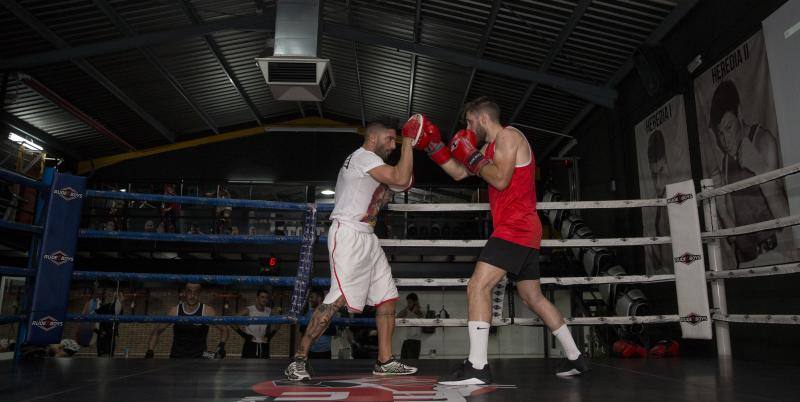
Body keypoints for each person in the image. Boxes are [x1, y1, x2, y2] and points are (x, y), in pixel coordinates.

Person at [408, 97, 589, 384]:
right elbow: (459, 173)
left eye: (470, 122)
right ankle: (575, 356)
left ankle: (478, 367)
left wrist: (472, 156)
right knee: (532, 297)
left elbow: (501, 179)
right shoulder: (487, 148)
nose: (468, 129)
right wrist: (433, 147)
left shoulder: (508, 136)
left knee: (478, 286)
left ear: (483, 118)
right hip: (522, 229)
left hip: (515, 228)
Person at [284, 117, 417, 381]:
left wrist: (398, 181)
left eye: (396, 140)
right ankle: (298, 359)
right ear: (373, 137)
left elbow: (397, 185)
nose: (393, 145)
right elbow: (401, 177)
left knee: (387, 297)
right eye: (390, 139)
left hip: (367, 236)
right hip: (348, 235)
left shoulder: (372, 164)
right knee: (337, 300)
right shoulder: (363, 158)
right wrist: (410, 142)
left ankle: (384, 361)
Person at [708, 79, 789, 263]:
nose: (726, 141)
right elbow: (733, 238)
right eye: (720, 134)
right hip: (747, 262)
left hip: (778, 257)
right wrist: (721, 210)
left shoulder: (763, 141)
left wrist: (760, 168)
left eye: (729, 127)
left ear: (740, 113)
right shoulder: (725, 165)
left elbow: (786, 218)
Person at [145, 283, 228, 358]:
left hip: (199, 356)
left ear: (199, 293)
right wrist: (150, 351)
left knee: (216, 357)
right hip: (177, 356)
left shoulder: (207, 311)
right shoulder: (175, 311)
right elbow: (157, 331)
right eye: (189, 292)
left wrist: (221, 346)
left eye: (195, 292)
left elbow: (224, 329)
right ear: (184, 293)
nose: (192, 296)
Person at [646, 130, 673, 274]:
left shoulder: (679, 199)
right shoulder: (655, 207)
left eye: (661, 171)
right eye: (653, 175)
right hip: (668, 275)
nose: (657, 183)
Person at [233, 288, 277, 358]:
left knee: (265, 365)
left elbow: (280, 322)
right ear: (257, 298)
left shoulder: (269, 311)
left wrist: (270, 336)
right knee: (248, 365)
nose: (264, 299)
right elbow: (231, 321)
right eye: (262, 297)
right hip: (250, 344)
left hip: (264, 344)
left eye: (266, 298)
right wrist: (244, 335)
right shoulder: (249, 310)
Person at [302, 289, 336, 359]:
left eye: (312, 297)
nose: (310, 299)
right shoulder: (309, 314)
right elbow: (302, 329)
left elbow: (333, 331)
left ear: (319, 298)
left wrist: (314, 328)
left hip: (325, 351)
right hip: (311, 351)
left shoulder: (328, 313)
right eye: (310, 297)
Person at [397, 293, 423, 359]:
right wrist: (407, 308)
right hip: (407, 339)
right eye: (408, 302)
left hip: (415, 341)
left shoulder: (421, 311)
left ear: (415, 302)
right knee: (403, 360)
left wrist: (414, 309)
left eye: (410, 302)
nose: (408, 304)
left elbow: (419, 316)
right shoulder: (407, 310)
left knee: (412, 361)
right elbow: (398, 317)